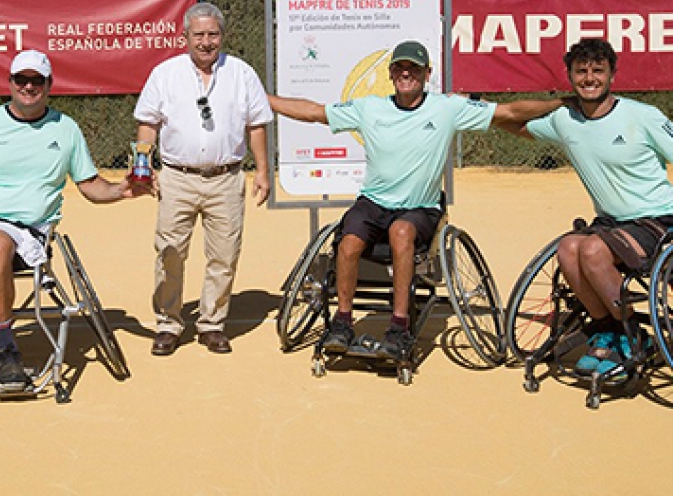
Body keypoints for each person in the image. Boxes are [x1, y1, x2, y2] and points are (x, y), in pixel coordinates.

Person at [269, 40, 565, 360]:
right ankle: (342, 322)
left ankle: (399, 326)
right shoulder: (370, 107)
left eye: (414, 68)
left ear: (427, 73)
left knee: (401, 232)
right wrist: (263, 99)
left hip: (420, 206)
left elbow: (508, 112)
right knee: (349, 240)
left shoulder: (447, 108)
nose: (406, 73)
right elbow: (313, 112)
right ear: (391, 73)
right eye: (400, 68)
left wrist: (562, 103)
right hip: (373, 202)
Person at [0, 49, 149, 393]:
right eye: (22, 79)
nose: (28, 86)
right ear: (10, 83)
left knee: (6, 244)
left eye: (36, 80)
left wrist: (123, 189)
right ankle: (6, 349)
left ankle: (5, 335)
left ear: (49, 85)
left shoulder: (67, 129)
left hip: (36, 231)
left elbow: (90, 185)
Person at [521, 38, 673, 380]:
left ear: (612, 75)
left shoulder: (643, 116)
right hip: (611, 222)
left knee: (590, 249)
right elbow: (516, 123)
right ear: (570, 76)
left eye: (598, 71)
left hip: (657, 220)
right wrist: (478, 109)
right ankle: (607, 329)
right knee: (568, 247)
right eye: (582, 72)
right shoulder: (565, 119)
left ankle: (636, 336)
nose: (590, 78)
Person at [134, 2, 273, 356]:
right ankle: (168, 323)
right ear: (186, 37)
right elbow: (148, 124)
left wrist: (263, 170)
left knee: (224, 256)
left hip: (226, 179)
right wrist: (143, 166)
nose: (206, 42)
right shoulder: (165, 73)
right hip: (177, 178)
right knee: (169, 253)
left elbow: (256, 125)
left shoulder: (242, 73)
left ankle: (211, 323)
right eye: (199, 35)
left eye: (213, 34)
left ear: (222, 36)